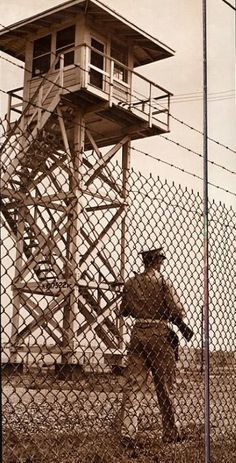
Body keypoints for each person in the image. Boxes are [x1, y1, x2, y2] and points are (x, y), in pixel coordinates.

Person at [118, 247, 192, 449]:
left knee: (134, 385)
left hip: (137, 333)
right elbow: (178, 311)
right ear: (158, 261)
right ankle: (170, 432)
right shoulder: (162, 281)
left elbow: (123, 311)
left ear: (144, 262)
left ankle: (128, 434)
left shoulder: (131, 283)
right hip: (159, 333)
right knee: (164, 386)